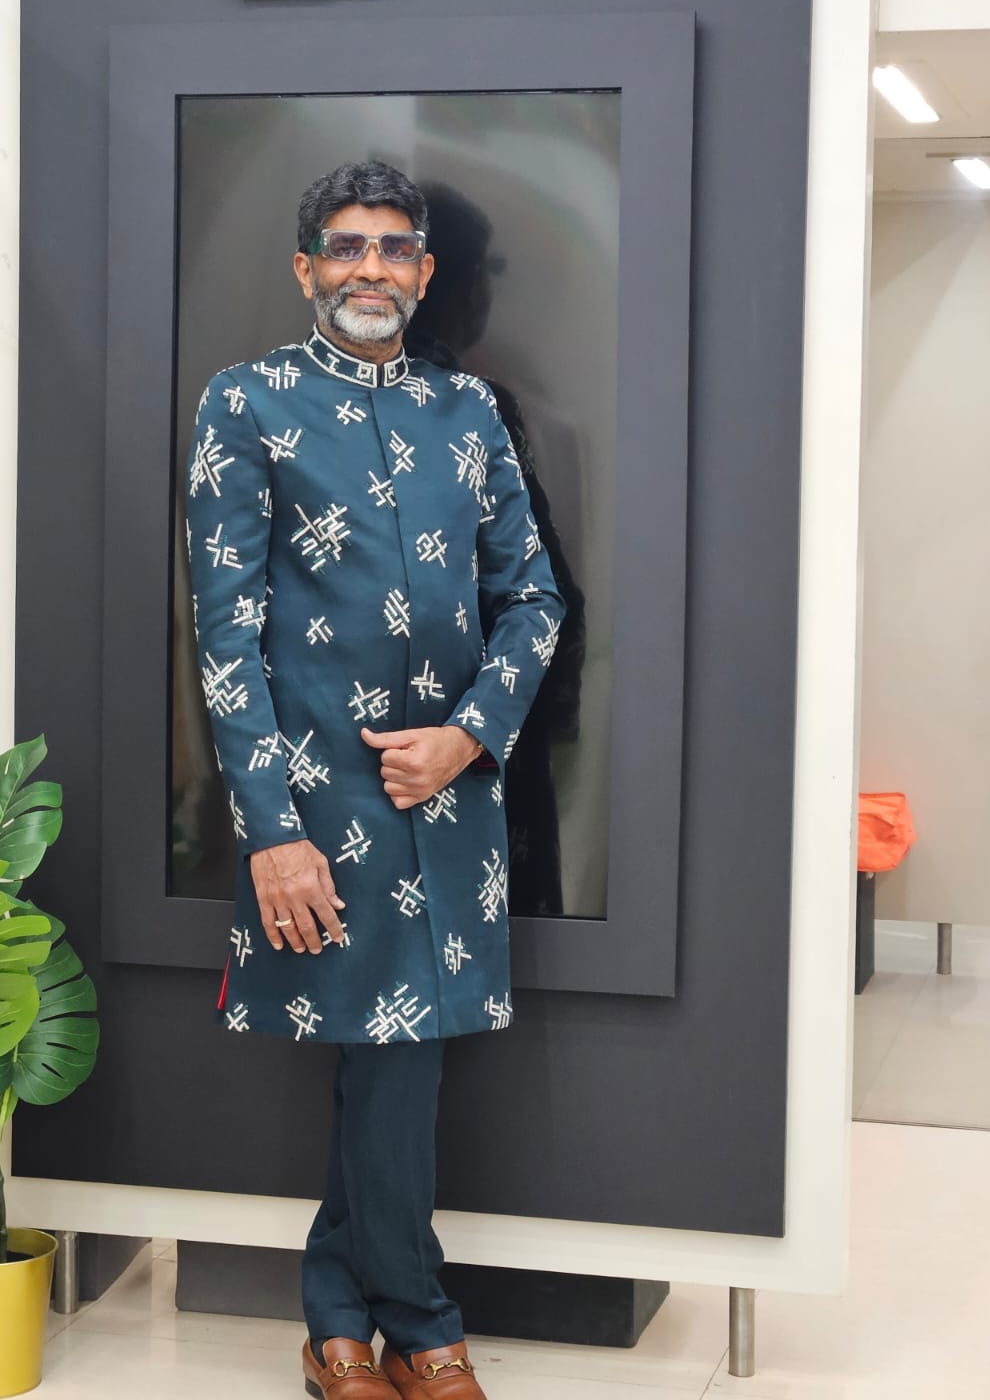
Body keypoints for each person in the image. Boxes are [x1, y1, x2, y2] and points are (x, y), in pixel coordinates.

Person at [185, 161, 565, 1398]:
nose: (371, 268)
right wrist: (269, 830)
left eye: (395, 248)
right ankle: (416, 1317)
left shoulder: (470, 412)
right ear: (307, 268)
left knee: (399, 1052)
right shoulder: (247, 402)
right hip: (318, 802)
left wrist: (470, 735)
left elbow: (536, 600)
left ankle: (340, 1323)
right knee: (386, 1054)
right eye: (346, 247)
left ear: (425, 272)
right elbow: (225, 636)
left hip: (448, 798)